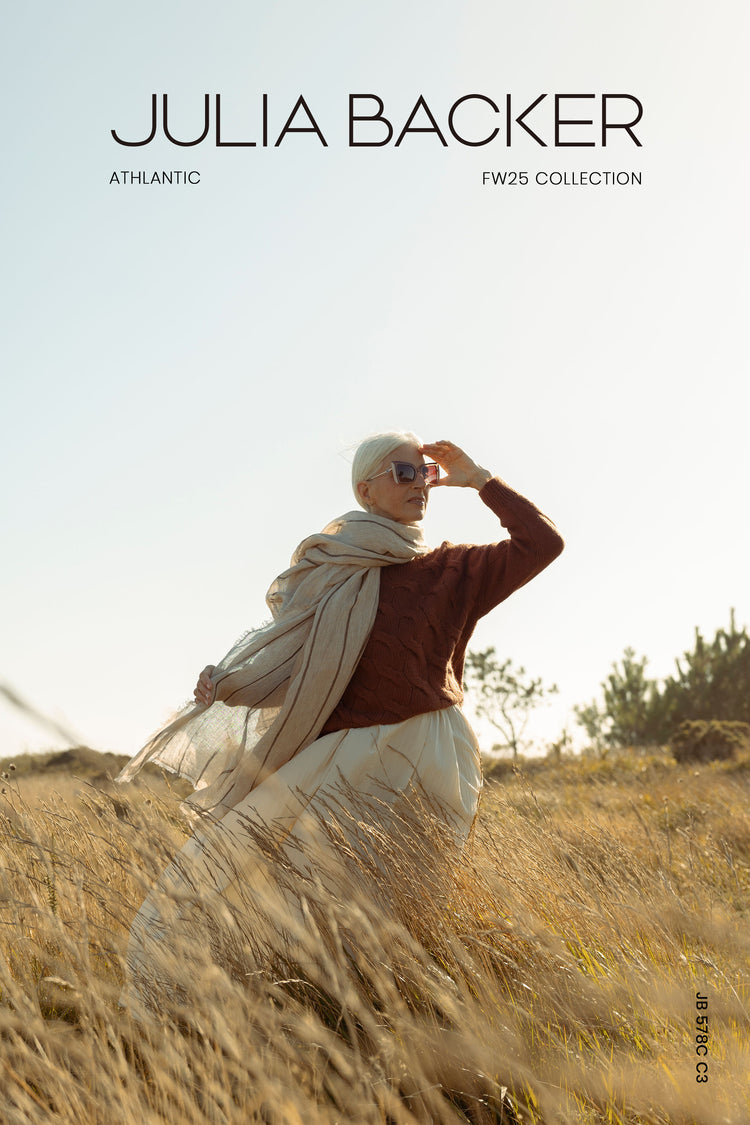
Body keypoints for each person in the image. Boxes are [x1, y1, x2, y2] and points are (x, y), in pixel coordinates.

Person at [116, 434, 563, 1010]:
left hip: (432, 760)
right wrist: (227, 683)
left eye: (423, 472)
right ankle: (224, 1004)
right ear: (365, 489)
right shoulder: (331, 573)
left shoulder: (455, 570)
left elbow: (542, 542)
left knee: (402, 903)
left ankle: (382, 1015)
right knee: (262, 879)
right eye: (401, 472)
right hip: (342, 763)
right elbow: (294, 662)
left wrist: (478, 479)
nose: (418, 483)